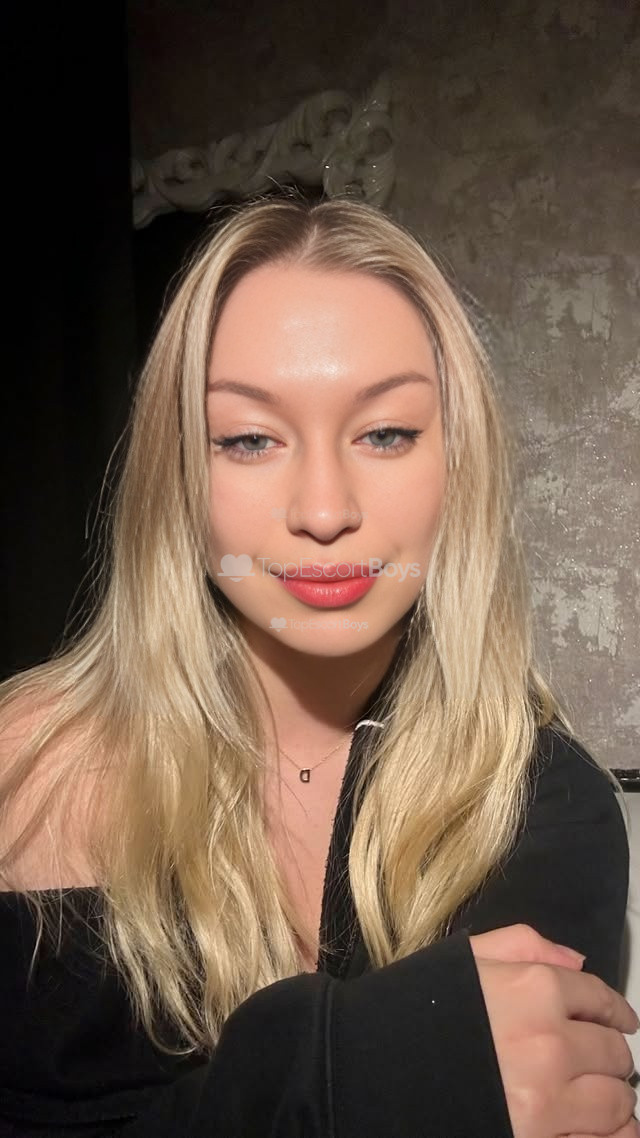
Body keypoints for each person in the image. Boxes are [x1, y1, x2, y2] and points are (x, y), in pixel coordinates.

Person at [0, 195, 635, 1138]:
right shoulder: (22, 774)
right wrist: (335, 1080)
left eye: (386, 433)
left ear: (459, 465)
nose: (326, 510)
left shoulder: (539, 809)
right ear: (180, 475)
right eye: (250, 438)